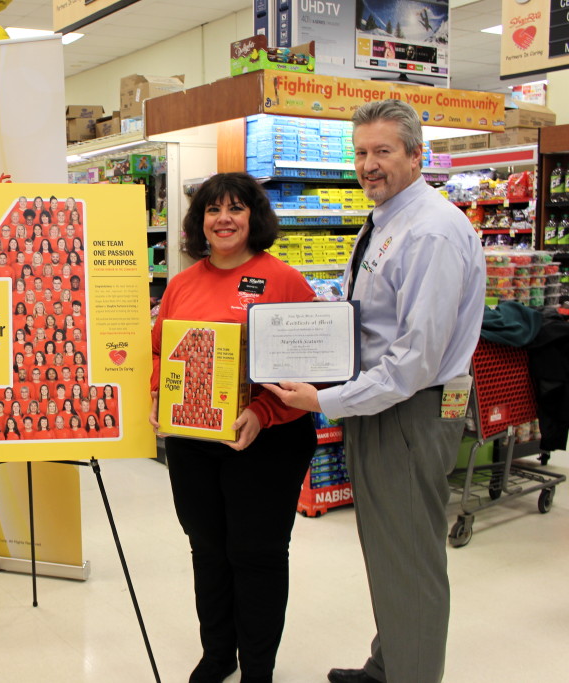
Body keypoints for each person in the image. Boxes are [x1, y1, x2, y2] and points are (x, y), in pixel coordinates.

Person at [264, 100, 486, 683]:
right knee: (391, 550)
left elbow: (414, 361)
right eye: (361, 152)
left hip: (410, 410)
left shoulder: (432, 233)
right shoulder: (386, 220)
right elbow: (363, 317)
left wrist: (324, 400)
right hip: (384, 405)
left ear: (417, 155)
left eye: (383, 151)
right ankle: (389, 665)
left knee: (409, 559)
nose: (369, 165)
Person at [149, 172, 317, 683]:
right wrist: (159, 393)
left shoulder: (285, 281)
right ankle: (219, 654)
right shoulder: (181, 283)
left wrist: (263, 412)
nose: (223, 219)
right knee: (208, 549)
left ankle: (257, 668)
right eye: (212, 210)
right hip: (194, 442)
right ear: (199, 222)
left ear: (254, 217)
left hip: (267, 441)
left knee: (257, 554)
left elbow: (307, 365)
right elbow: (160, 350)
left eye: (236, 208)